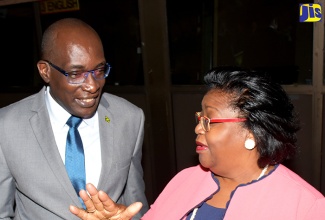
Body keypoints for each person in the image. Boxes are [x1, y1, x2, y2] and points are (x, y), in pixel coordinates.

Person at [70, 66, 325, 220]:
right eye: (199, 118)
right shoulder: (186, 180)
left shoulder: (307, 207)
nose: (197, 128)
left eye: (209, 121)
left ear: (252, 133)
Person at [0, 18, 148, 219]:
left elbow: (135, 204)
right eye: (76, 73)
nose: (93, 85)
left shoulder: (129, 118)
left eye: (99, 70)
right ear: (45, 71)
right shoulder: (7, 126)